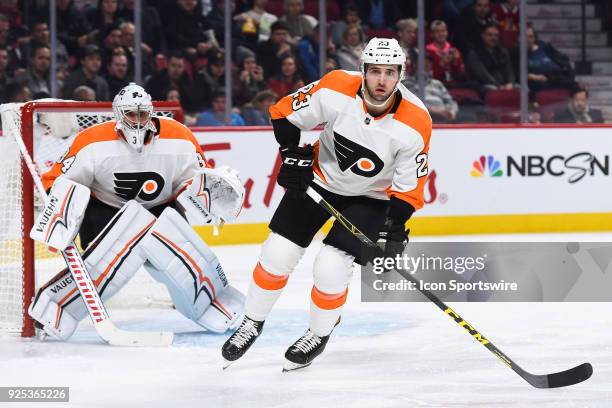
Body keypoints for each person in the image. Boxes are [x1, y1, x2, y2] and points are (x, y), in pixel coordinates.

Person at [222, 38, 432, 371]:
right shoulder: (335, 86)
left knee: (331, 266)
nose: (381, 81)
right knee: (277, 253)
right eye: (374, 71)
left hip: (372, 197)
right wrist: (291, 156)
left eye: (390, 73)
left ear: (400, 75)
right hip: (319, 180)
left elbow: (408, 188)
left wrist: (394, 231)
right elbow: (284, 114)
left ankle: (318, 334)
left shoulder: (415, 122)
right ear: (362, 70)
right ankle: (251, 321)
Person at [28, 83, 246, 341]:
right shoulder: (92, 140)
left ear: (152, 112)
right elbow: (58, 180)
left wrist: (207, 194)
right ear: (119, 114)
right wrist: (58, 208)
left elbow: (196, 179)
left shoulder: (180, 135)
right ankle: (55, 308)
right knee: (100, 267)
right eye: (132, 114)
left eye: (143, 114)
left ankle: (214, 303)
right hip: (107, 208)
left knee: (181, 262)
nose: (139, 120)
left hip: (160, 206)